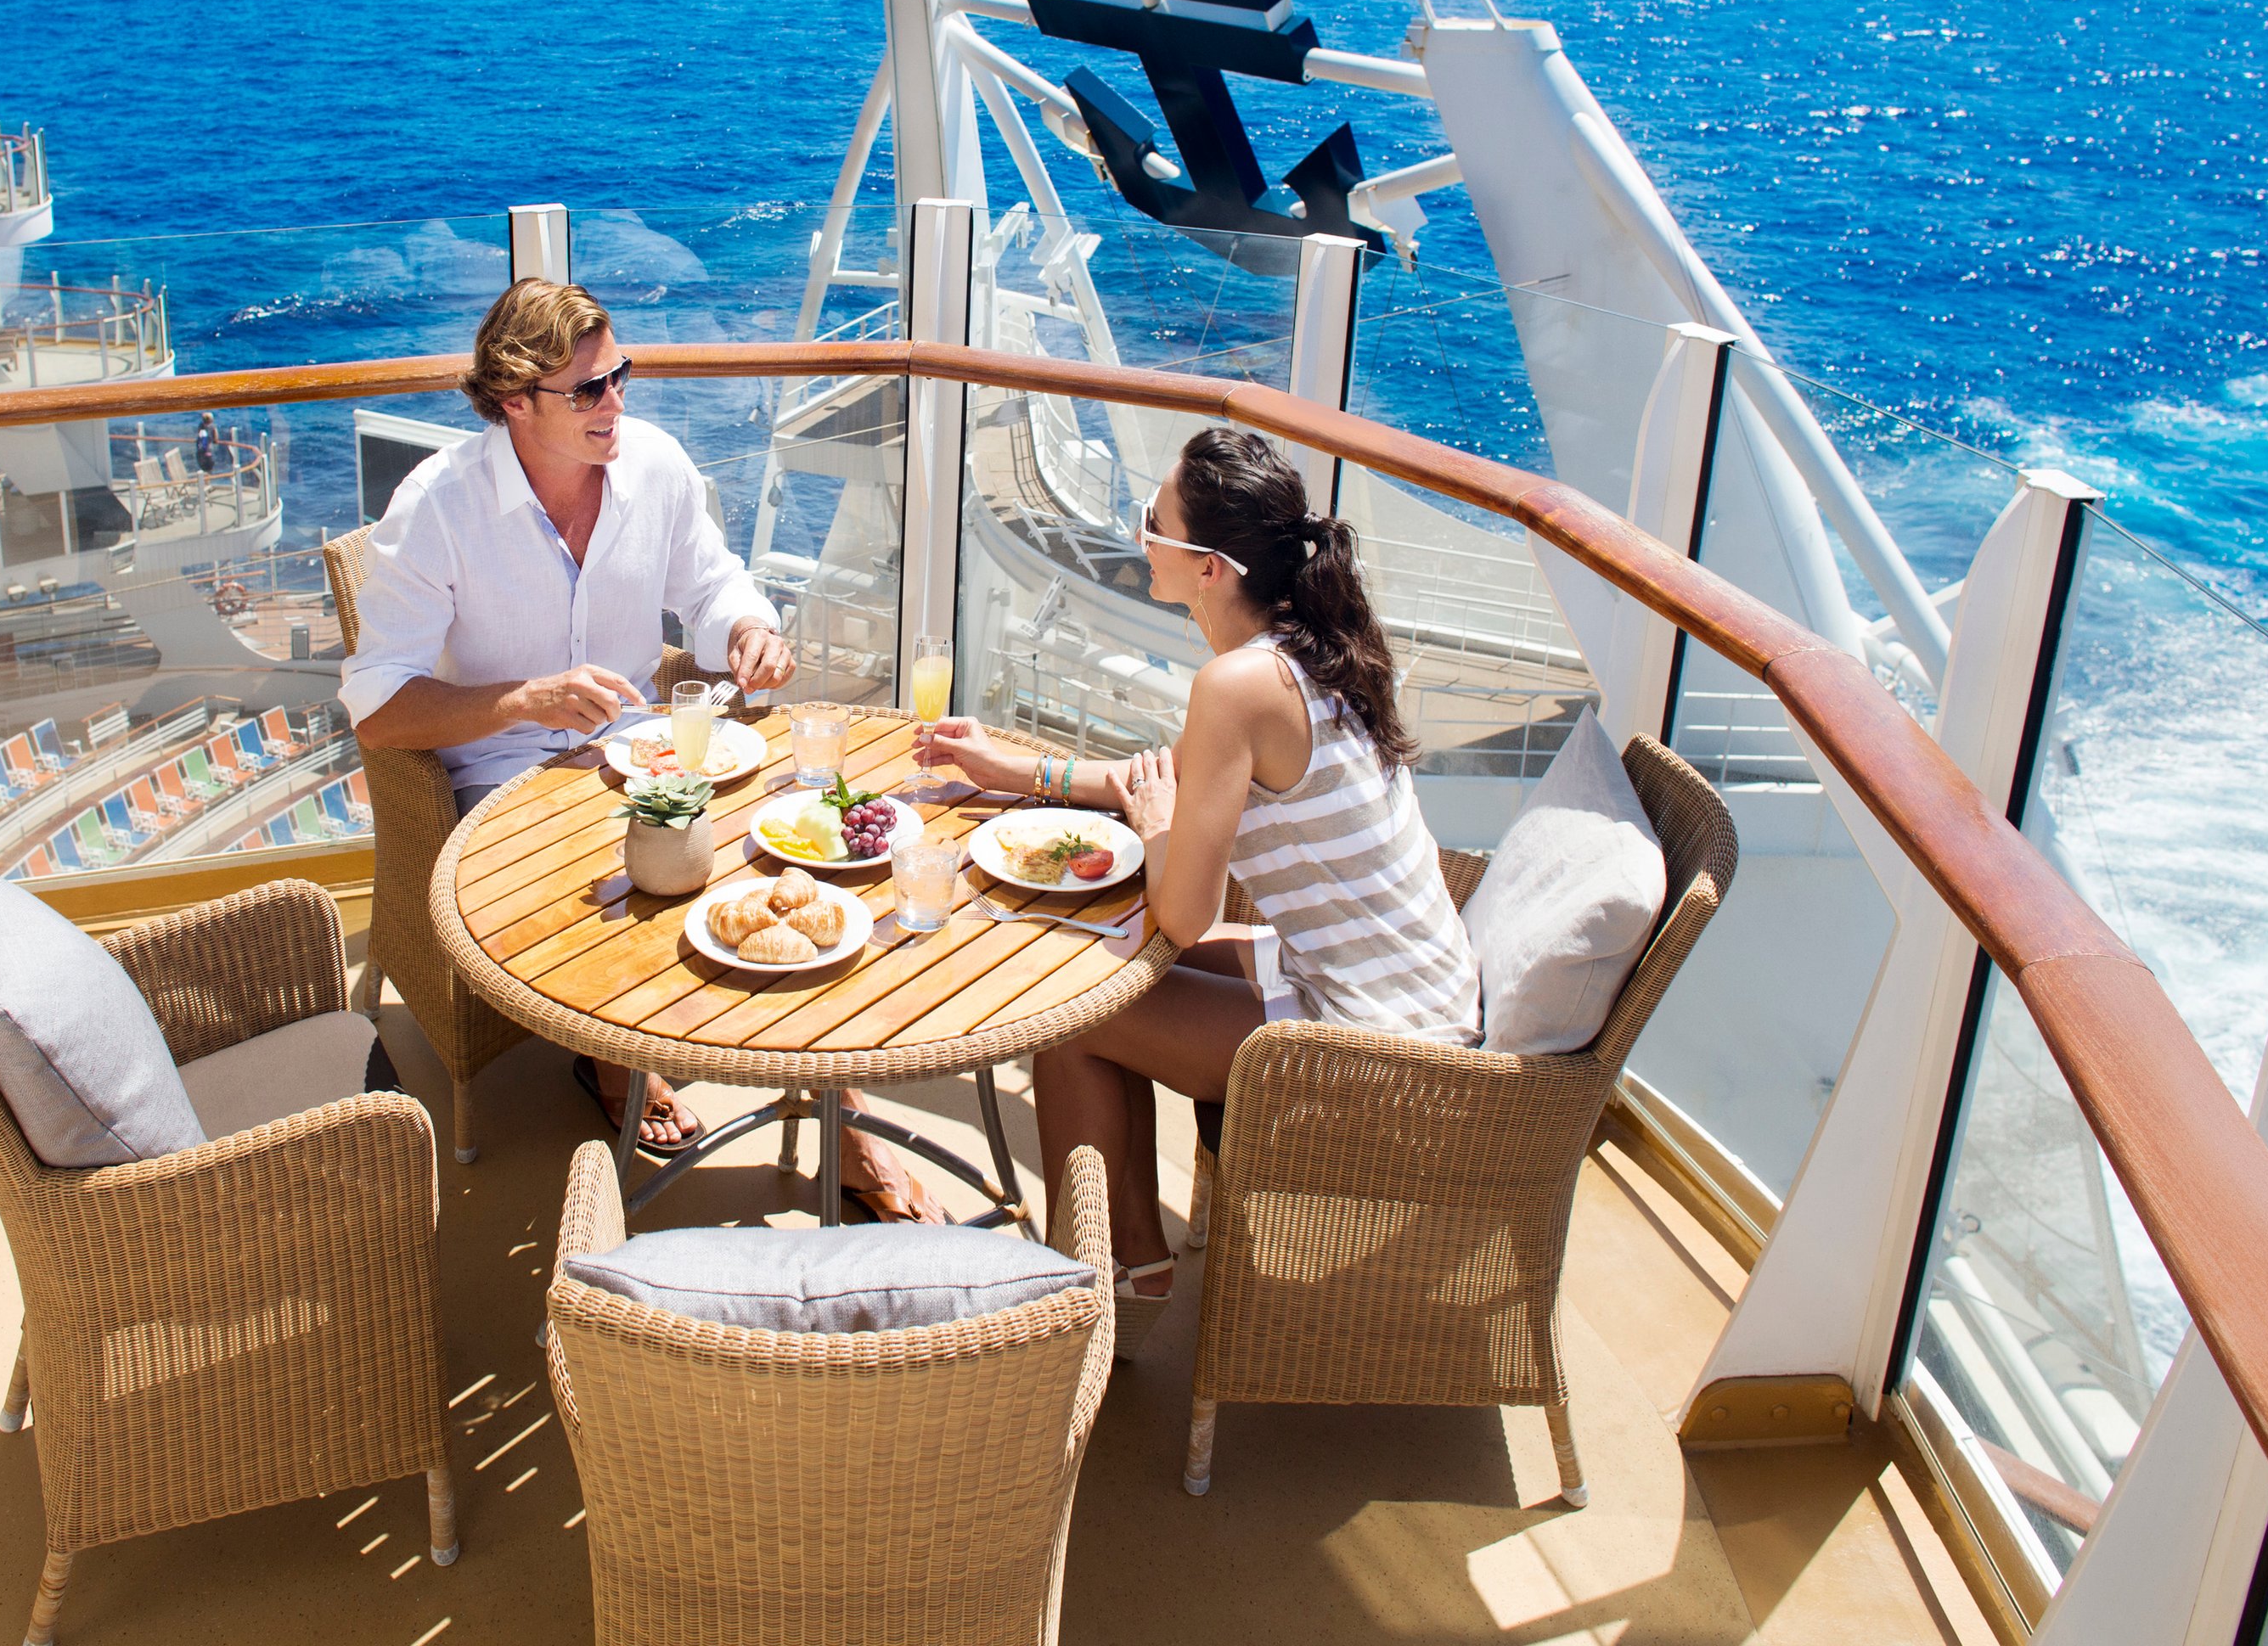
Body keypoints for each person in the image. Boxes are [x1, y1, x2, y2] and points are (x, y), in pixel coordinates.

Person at [340, 282, 942, 1219]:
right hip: (500, 775)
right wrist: (522, 700)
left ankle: (836, 1098)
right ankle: (617, 1059)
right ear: (515, 401)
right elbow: (378, 710)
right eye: (587, 390)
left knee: (778, 861)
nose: (614, 402)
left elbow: (711, 587)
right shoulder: (438, 508)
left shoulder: (654, 465)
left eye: (620, 375)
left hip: (638, 751)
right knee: (648, 868)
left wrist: (748, 630)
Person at [915, 427, 1478, 1307]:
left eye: (1153, 519)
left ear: (1210, 568)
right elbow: (1171, 778)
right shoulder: (1309, 648)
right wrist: (1014, 770)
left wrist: (1157, 827)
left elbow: (1182, 915)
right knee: (1093, 973)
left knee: (1069, 1014)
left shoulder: (1238, 687)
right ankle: (1125, 1263)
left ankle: (1099, 1290)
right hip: (1412, 995)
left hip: (1388, 1053)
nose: (1138, 531)